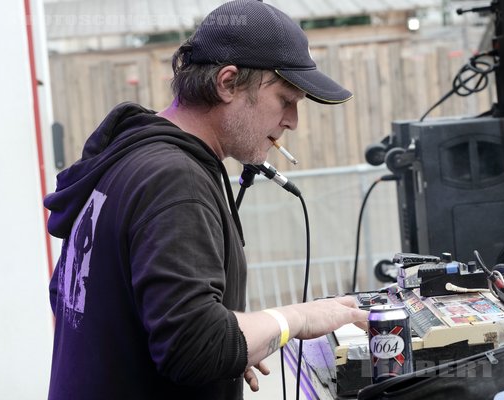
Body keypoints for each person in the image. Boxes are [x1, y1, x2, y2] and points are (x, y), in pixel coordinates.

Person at [44, 0, 368, 399]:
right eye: (286, 100)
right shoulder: (173, 180)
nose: (292, 122)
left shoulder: (128, 160)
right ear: (228, 83)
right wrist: (296, 318)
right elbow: (194, 348)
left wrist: (239, 343)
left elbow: (83, 300)